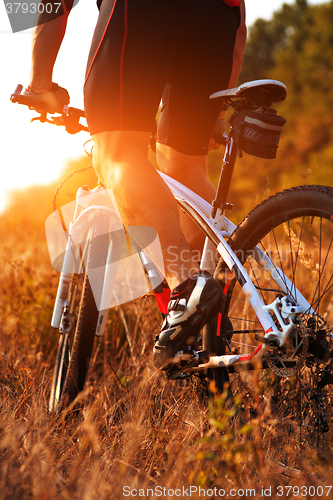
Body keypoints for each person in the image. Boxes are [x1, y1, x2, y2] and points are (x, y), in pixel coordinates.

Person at [25, 0, 246, 370]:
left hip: (140, 11)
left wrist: (38, 84)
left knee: (116, 153)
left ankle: (186, 286)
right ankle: (229, 312)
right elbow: (238, 27)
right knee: (184, 168)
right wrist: (217, 112)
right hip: (217, 21)